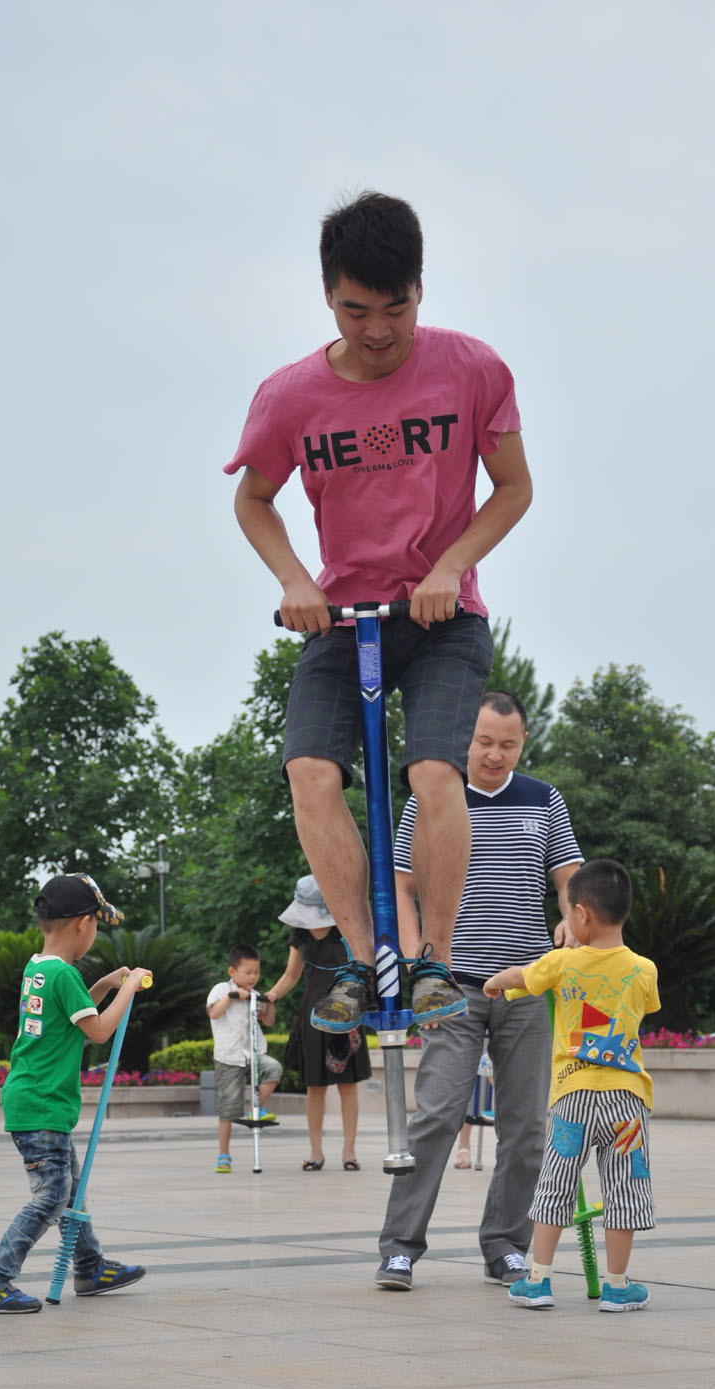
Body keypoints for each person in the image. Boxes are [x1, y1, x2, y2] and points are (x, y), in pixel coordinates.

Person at [225, 191, 533, 1032]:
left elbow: (513, 488)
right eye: (356, 311)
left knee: (435, 773)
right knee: (310, 773)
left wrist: (452, 564)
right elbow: (255, 499)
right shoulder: (290, 396)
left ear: (420, 290)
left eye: (395, 309)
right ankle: (364, 959)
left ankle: (432, 957)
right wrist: (296, 580)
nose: (377, 331)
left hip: (442, 617)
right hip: (342, 615)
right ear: (329, 296)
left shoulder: (472, 369)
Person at [375, 691, 582, 1291]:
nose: (495, 754)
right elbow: (402, 886)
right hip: (453, 988)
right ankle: (399, 1248)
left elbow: (569, 877)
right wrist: (420, 966)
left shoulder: (543, 799)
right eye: (485, 741)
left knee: (526, 1126)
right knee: (437, 1116)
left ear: (523, 743)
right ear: (466, 738)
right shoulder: (432, 797)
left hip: (526, 987)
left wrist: (572, 918)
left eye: (508, 745)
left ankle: (506, 1246)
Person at [0, 873, 151, 1314]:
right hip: (43, 1103)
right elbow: (98, 1031)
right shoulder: (63, 974)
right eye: (98, 924)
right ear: (84, 923)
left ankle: (89, 1267)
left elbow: (73, 1015)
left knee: (71, 1192)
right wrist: (128, 988)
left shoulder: (39, 968)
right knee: (53, 1196)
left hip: (35, 1098)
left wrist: (106, 984)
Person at [483, 859, 660, 1313]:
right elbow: (644, 1008)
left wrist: (495, 983)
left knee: (555, 1184)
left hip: (573, 1100)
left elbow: (522, 978)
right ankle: (617, 1286)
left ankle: (538, 1280)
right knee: (624, 1189)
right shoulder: (644, 970)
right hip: (627, 1104)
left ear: (580, 913)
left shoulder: (562, 963)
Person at [263, 875, 372, 1171]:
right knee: (315, 1086)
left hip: (345, 1011)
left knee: (348, 1084)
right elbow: (291, 975)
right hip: (312, 1016)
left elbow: (363, 965)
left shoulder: (344, 927)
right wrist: (271, 995)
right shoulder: (300, 933)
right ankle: (316, 1152)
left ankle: (349, 1152)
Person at [206, 944, 281, 1173]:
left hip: (252, 1054)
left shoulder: (254, 996)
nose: (252, 977)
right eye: (248, 972)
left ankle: (255, 1109)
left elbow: (268, 1021)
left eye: (256, 973)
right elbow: (213, 1013)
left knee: (274, 1069)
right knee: (228, 1106)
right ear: (232, 971)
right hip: (228, 1057)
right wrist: (231, 997)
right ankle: (223, 1155)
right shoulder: (221, 989)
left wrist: (269, 1003)